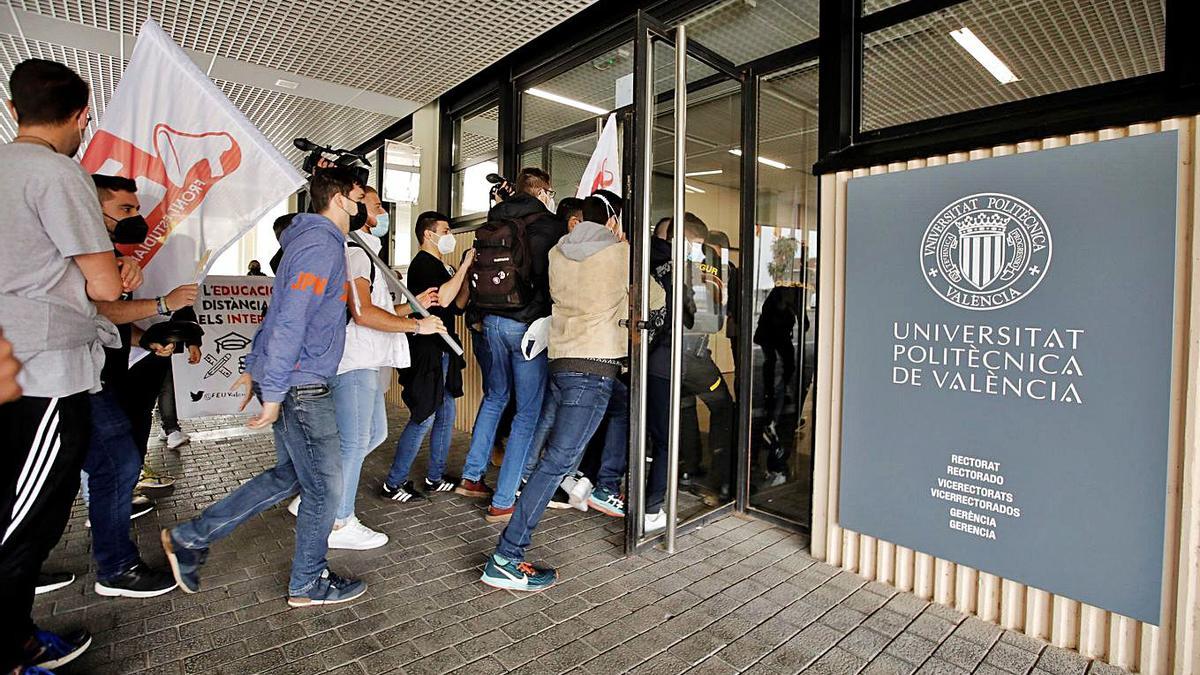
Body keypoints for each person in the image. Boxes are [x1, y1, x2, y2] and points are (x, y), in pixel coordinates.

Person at [161, 167, 367, 608]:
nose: (369, 205)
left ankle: (190, 537)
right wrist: (272, 393)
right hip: (302, 386)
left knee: (289, 477)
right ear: (343, 198)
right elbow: (290, 318)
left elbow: (279, 314)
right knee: (325, 491)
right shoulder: (319, 245)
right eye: (363, 195)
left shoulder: (313, 243)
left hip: (293, 380)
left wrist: (257, 367)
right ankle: (308, 582)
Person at [0, 58, 126, 673]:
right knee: (23, 524)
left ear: (13, 108)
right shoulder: (57, 174)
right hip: (43, 369)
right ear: (80, 118)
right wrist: (116, 273)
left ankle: (18, 638)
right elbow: (102, 283)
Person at [481, 190, 629, 590]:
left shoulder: (559, 252)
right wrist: (624, 244)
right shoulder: (619, 255)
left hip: (562, 363)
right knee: (556, 464)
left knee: (624, 407)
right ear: (613, 222)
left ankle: (605, 484)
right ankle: (507, 557)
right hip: (595, 367)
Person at [288, 187, 445, 549]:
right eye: (376, 207)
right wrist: (417, 325)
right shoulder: (355, 253)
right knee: (354, 440)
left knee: (371, 434)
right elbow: (362, 313)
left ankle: (315, 497)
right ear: (360, 213)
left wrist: (413, 307)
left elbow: (378, 310)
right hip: (354, 359)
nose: (383, 214)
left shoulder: (365, 254)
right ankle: (339, 520)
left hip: (365, 359)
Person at [83, 174, 196, 598]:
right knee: (116, 463)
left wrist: (145, 338)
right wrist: (165, 304)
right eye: (125, 210)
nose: (134, 218)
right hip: (76, 379)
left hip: (98, 376)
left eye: (136, 209)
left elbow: (106, 321)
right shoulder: (82, 256)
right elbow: (96, 310)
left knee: (114, 465)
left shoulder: (109, 255)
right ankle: (115, 568)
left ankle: (113, 562)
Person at [457, 167, 566, 524]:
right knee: (527, 413)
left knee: (495, 397)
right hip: (527, 326)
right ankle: (504, 500)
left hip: (491, 321)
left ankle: (472, 477)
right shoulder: (548, 225)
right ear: (544, 191)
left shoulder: (496, 217)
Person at [381, 211, 474, 502]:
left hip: (444, 350)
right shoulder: (422, 265)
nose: (450, 236)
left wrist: (465, 272)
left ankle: (435, 476)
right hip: (427, 352)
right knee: (424, 416)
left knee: (446, 414)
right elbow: (442, 299)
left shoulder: (444, 267)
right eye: (445, 230)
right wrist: (464, 267)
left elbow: (457, 305)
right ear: (428, 234)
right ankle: (393, 483)